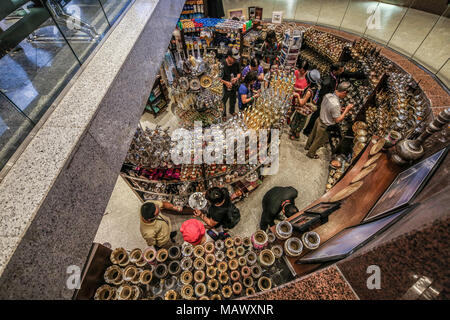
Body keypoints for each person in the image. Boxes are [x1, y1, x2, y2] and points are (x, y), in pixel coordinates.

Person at [303, 62, 365, 136]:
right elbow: (323, 95)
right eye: (340, 71)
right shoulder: (327, 82)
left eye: (342, 70)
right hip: (323, 101)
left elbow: (348, 74)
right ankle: (307, 131)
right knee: (316, 115)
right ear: (335, 71)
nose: (342, 72)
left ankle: (313, 130)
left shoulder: (337, 75)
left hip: (330, 98)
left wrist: (362, 75)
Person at [305, 82, 354, 159]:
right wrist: (346, 110)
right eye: (346, 94)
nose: (345, 96)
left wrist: (339, 110)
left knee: (313, 135)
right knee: (319, 141)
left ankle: (307, 146)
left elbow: (329, 108)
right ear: (344, 92)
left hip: (319, 119)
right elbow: (337, 120)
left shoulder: (328, 95)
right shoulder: (336, 104)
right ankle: (311, 153)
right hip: (324, 125)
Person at [289, 68, 321, 140]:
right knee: (301, 121)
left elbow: (301, 103)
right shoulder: (314, 87)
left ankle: (295, 134)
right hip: (306, 110)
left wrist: (297, 95)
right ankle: (296, 133)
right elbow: (304, 90)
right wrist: (297, 89)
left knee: (298, 122)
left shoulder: (309, 91)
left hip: (303, 110)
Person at [220, 48, 241, 119]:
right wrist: (226, 83)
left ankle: (232, 111)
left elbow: (239, 73)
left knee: (233, 99)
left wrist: (236, 78)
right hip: (224, 86)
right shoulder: (222, 64)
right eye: (233, 58)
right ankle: (223, 114)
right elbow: (217, 78)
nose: (235, 60)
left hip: (233, 85)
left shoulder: (236, 63)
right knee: (223, 101)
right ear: (228, 56)